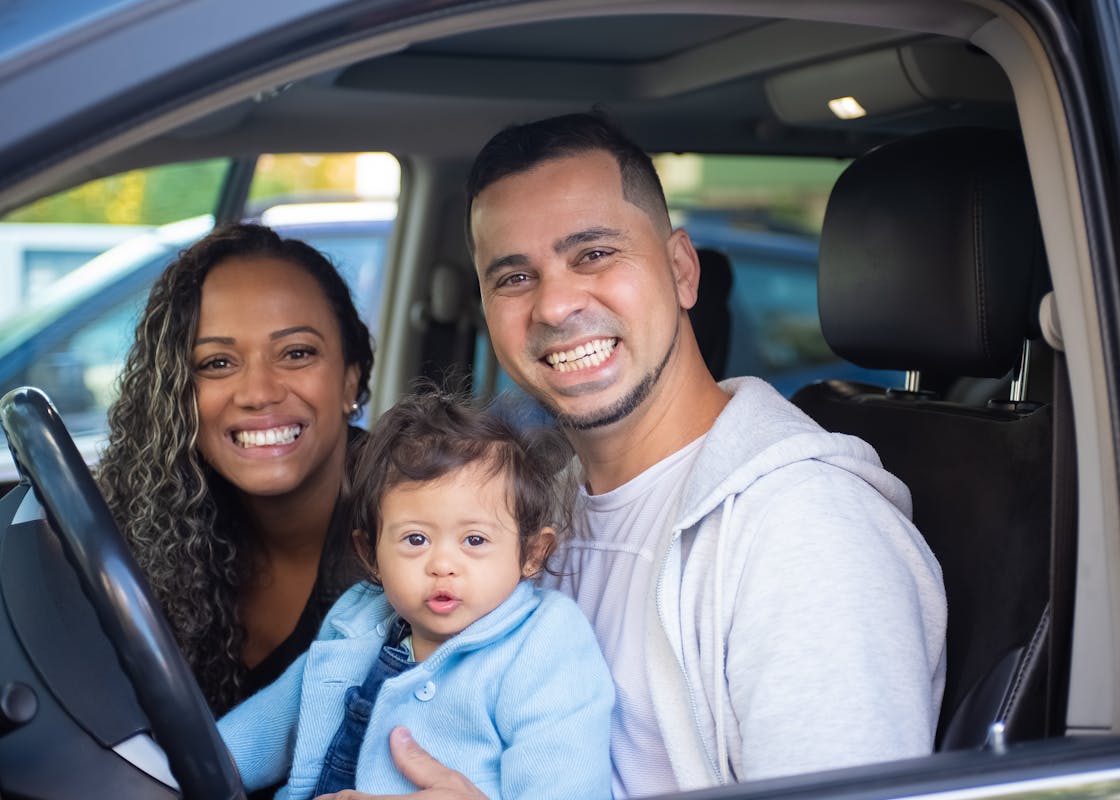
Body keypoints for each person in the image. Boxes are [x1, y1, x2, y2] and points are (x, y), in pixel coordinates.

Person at [344, 112, 947, 800]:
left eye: (594, 254)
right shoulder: (536, 511)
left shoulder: (804, 531)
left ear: (682, 270)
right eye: (514, 277)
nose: (556, 304)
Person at [216, 388, 614, 800]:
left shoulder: (546, 643)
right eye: (416, 538)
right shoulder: (357, 619)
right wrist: (194, 762)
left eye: (474, 540)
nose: (442, 564)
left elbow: (567, 782)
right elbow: (277, 719)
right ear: (370, 555)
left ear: (531, 554)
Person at [96, 222, 374, 718]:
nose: (258, 392)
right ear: (178, 395)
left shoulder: (428, 529)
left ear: (350, 379)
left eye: (296, 353)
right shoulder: (157, 520)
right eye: (218, 363)